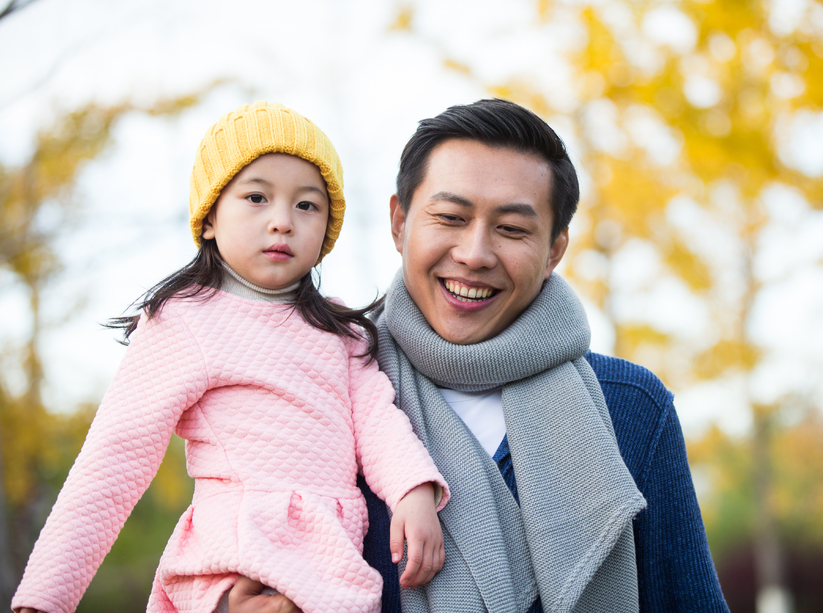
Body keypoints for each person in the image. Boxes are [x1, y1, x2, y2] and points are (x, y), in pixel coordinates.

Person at [11, 101, 450, 613]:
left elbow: (377, 420)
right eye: (257, 197)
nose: (282, 222)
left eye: (307, 205)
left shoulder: (340, 330)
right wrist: (45, 598)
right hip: (233, 553)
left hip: (331, 556)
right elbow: (114, 457)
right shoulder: (185, 320)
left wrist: (412, 490)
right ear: (212, 216)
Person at [354, 98, 731, 612]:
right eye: (450, 217)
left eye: (511, 229)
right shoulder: (332, 391)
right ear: (399, 222)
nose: (475, 254)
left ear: (555, 250)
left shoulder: (632, 410)